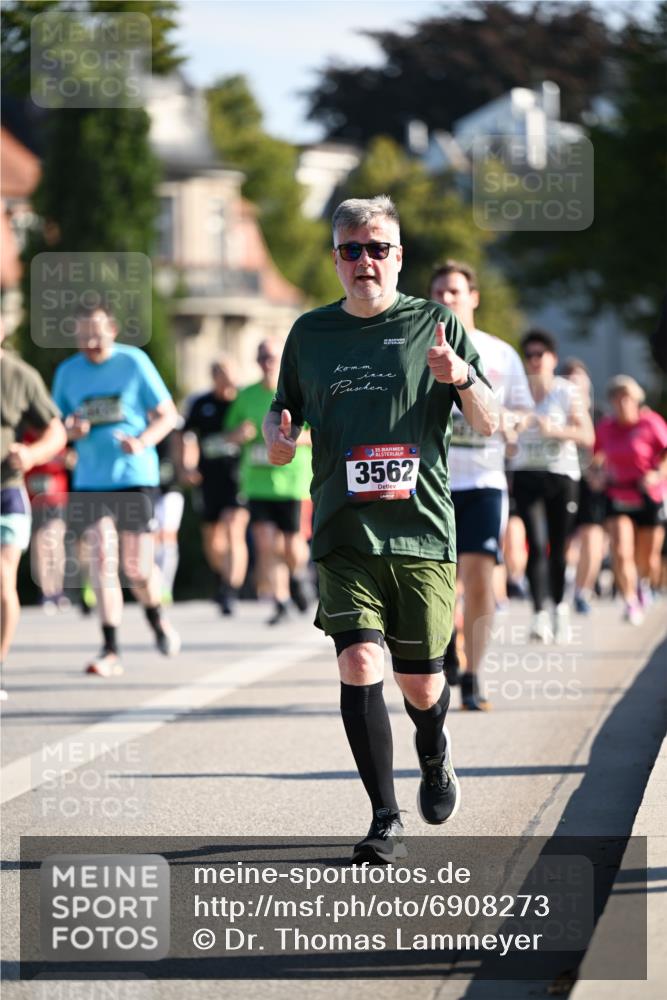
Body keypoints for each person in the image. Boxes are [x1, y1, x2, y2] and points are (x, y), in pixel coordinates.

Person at [263, 196, 498, 862]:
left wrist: (461, 381)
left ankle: (433, 750)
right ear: (335, 257)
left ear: (398, 257)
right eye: (350, 249)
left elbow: (488, 421)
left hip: (420, 531)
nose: (363, 261)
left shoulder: (435, 322)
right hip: (343, 530)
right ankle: (384, 815)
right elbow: (285, 421)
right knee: (359, 660)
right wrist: (277, 443)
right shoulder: (309, 333)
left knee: (421, 683)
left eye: (377, 248)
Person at [52, 304, 181, 677]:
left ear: (112, 329)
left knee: (137, 568)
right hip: (91, 480)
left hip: (134, 476)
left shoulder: (133, 362)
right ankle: (110, 649)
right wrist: (70, 432)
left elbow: (167, 415)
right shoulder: (67, 372)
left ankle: (156, 618)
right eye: (82, 336)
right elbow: (57, 424)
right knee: (102, 560)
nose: (91, 342)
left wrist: (142, 442)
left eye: (97, 333)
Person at [429, 261, 532, 710]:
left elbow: (522, 410)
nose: (447, 299)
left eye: (454, 291)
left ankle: (472, 673)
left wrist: (510, 422)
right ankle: (450, 648)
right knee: (439, 581)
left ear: (473, 297)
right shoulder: (416, 352)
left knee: (478, 580)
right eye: (439, 293)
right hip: (432, 482)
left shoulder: (501, 354)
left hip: (486, 482)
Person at [508, 330, 594, 643]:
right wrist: (512, 430)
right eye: (528, 355)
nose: (534, 360)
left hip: (561, 474)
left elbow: (587, 435)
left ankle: (560, 610)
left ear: (552, 358)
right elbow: (500, 433)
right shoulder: (514, 391)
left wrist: (554, 430)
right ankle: (538, 615)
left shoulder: (566, 391)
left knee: (558, 545)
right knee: (534, 543)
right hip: (527, 473)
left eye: (539, 354)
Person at [225, 338, 312, 625]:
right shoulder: (246, 395)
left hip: (292, 484)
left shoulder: (297, 392)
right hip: (257, 485)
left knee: (290, 546)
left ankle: (298, 575)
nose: (267, 362)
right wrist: (241, 434)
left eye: (272, 356)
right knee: (266, 544)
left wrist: (290, 440)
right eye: (262, 356)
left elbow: (317, 434)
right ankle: (281, 600)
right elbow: (230, 434)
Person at [1, 326, 67, 698]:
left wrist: (30, 454)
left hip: (6, 491)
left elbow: (55, 432)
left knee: (2, 578)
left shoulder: (19, 376)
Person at [595, 375, 667, 625]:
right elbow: (595, 457)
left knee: (648, 558)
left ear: (636, 399)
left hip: (648, 494)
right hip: (618, 493)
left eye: (627, 397)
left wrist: (658, 473)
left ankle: (643, 584)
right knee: (621, 550)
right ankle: (630, 601)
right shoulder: (606, 426)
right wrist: (597, 475)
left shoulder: (651, 423)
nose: (622, 402)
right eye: (617, 398)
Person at [179, 358, 249, 614]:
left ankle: (231, 591)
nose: (226, 378)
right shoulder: (201, 403)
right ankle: (222, 577)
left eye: (230, 372)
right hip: (209, 479)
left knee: (234, 530)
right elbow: (187, 436)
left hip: (240, 477)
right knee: (212, 537)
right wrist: (187, 466)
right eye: (220, 373)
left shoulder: (244, 400)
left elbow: (254, 430)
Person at [561, 358, 607, 615]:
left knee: (592, 538)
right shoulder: (555, 412)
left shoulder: (599, 414)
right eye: (570, 383)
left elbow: (607, 449)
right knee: (566, 541)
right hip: (562, 481)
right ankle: (567, 582)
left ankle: (581, 591)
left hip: (590, 484)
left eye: (580, 383)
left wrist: (600, 470)